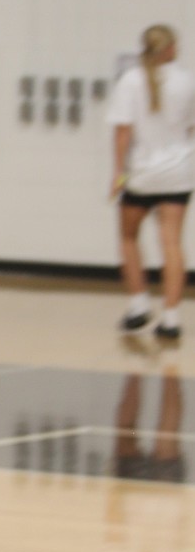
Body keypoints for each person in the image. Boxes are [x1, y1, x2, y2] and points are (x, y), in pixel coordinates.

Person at [108, 24, 195, 341]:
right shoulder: (187, 80)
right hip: (179, 173)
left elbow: (122, 133)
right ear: (171, 48)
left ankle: (138, 305)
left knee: (129, 236)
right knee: (171, 243)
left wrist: (119, 175)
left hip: (142, 174)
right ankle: (171, 318)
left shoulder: (130, 81)